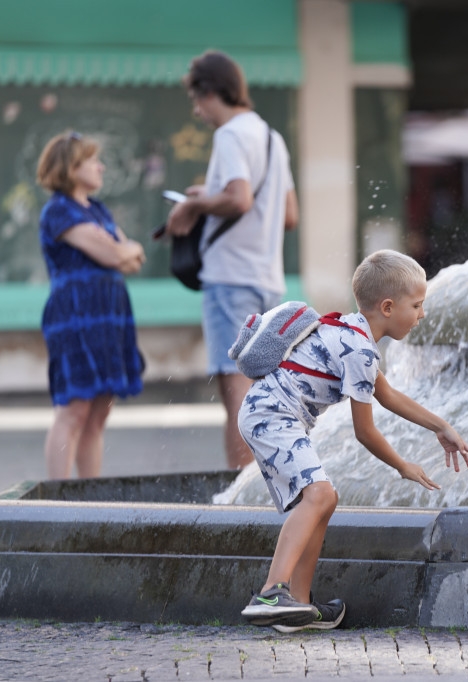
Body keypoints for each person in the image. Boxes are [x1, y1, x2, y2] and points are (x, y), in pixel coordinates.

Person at [237, 249, 468, 633]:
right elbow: (365, 432)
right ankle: (271, 593)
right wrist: (403, 465)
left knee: (325, 497)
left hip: (268, 412)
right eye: (416, 305)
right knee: (318, 495)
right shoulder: (361, 350)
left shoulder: (351, 331)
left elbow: (388, 394)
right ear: (387, 307)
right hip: (272, 415)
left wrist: (440, 426)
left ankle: (297, 606)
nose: (422, 315)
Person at [166, 50, 299, 471]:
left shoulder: (229, 135)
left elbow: (239, 198)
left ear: (210, 91)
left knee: (236, 392)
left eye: (196, 99)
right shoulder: (272, 138)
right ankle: (275, 484)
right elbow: (290, 215)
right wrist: (211, 197)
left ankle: (242, 493)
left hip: (230, 278)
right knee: (264, 392)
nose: (196, 110)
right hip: (267, 280)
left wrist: (194, 207)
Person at [35, 131, 147, 479]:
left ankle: (89, 496)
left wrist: (119, 251)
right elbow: (116, 253)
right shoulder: (58, 210)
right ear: (71, 166)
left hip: (108, 318)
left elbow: (133, 259)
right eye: (91, 160)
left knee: (99, 413)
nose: (101, 167)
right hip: (75, 317)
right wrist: (118, 249)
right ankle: (58, 502)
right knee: (74, 409)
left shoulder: (96, 210)